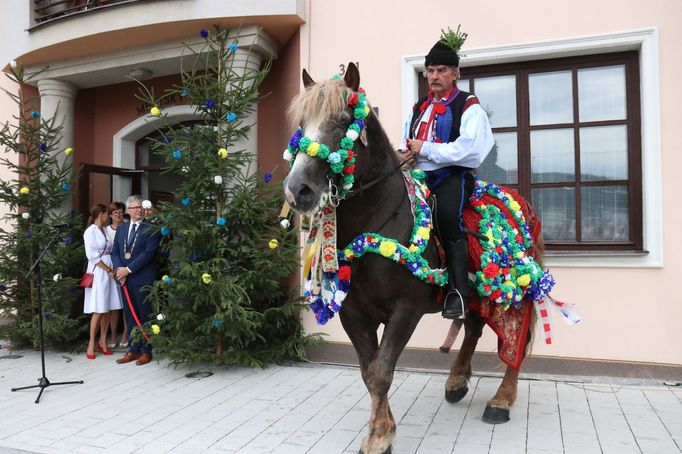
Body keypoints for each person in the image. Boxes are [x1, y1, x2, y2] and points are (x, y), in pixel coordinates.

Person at [402, 29, 494, 319]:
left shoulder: (468, 105)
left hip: (451, 177)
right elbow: (410, 141)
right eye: (430, 70)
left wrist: (425, 149)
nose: (433, 76)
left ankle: (458, 294)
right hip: (417, 178)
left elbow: (471, 151)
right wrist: (405, 155)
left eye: (441, 70)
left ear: (455, 74)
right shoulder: (419, 107)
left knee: (446, 219)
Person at [111, 195, 160, 366]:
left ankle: (146, 351)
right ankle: (133, 350)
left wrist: (128, 270)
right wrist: (119, 271)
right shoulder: (122, 229)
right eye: (134, 207)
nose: (138, 210)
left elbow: (148, 253)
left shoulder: (151, 228)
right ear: (128, 211)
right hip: (125, 280)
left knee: (144, 316)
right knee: (130, 316)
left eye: (140, 207)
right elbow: (115, 252)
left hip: (142, 278)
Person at [83, 203, 123, 359]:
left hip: (109, 270)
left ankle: (103, 341)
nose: (109, 216)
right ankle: (91, 343)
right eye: (107, 213)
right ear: (101, 214)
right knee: (99, 309)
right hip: (99, 271)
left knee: (107, 307)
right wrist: (108, 270)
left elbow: (110, 250)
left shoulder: (104, 231)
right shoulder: (90, 231)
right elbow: (92, 256)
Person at [105, 201, 128, 350]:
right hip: (109, 269)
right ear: (110, 215)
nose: (118, 215)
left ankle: (126, 333)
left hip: (125, 268)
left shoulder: (127, 227)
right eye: (115, 213)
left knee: (126, 303)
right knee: (114, 306)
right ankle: (113, 335)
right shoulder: (106, 230)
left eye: (120, 212)